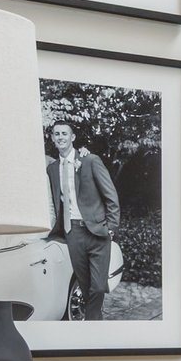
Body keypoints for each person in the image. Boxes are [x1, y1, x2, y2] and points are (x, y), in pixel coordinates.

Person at [45, 120, 120, 320]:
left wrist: (111, 227)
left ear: (73, 137)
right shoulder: (52, 169)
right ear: (52, 138)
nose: (60, 137)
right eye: (56, 134)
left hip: (98, 232)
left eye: (64, 133)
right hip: (73, 233)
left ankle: (91, 325)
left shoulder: (90, 160)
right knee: (85, 287)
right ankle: (94, 324)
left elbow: (111, 196)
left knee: (98, 287)